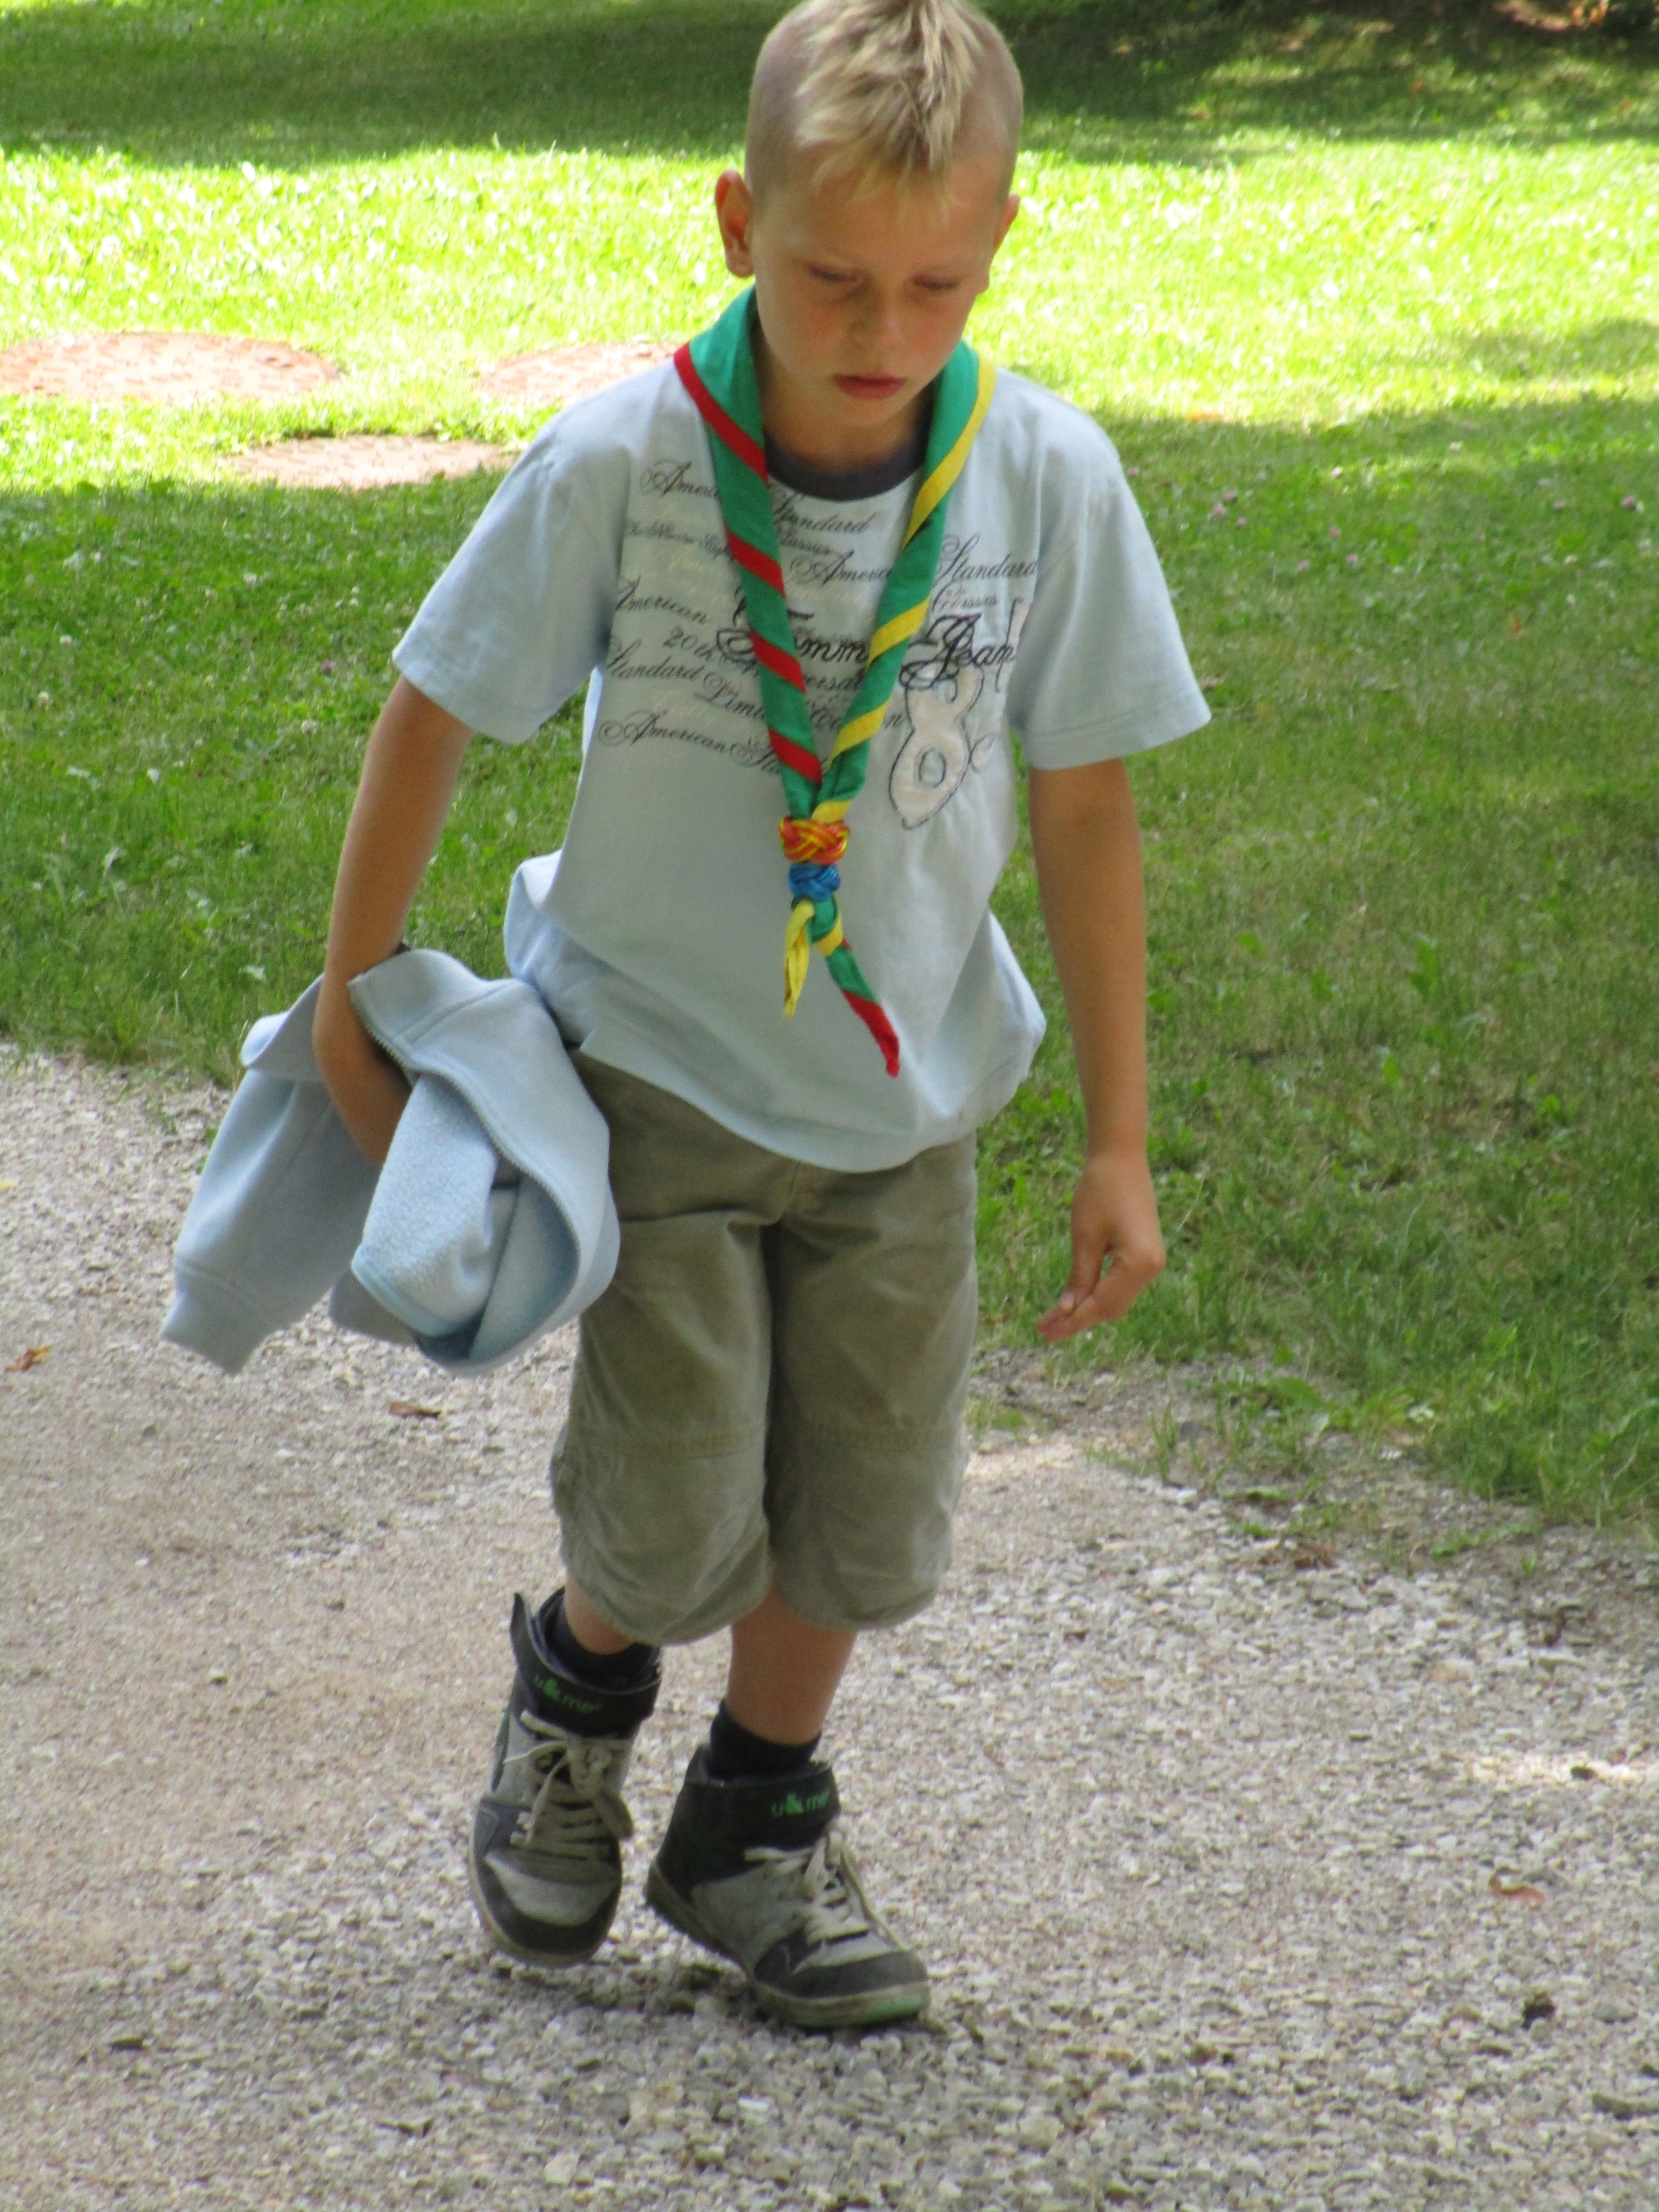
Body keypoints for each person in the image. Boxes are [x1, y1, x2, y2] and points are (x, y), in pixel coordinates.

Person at [313, 0, 1209, 2032]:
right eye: (830, 277)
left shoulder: (1043, 478)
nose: (883, 328)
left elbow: (1086, 803)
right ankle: (576, 1697)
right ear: (738, 225)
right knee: (677, 1505)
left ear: (1000, 245)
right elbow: (435, 705)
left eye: (936, 284)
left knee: (866, 1507)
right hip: (659, 1077)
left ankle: (753, 1822)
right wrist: (359, 996)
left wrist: (1120, 1136)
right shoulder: (628, 462)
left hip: (901, 1104)